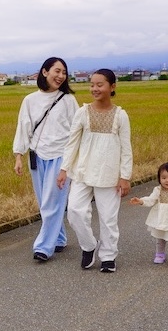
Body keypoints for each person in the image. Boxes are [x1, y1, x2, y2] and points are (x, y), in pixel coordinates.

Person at [56, 69, 132, 273]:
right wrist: (64, 168)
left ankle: (108, 256)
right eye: (92, 85)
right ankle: (89, 245)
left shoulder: (121, 116)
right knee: (74, 211)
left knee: (108, 218)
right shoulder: (83, 112)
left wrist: (125, 177)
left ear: (112, 87)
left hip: (109, 174)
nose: (95, 88)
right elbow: (72, 143)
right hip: (82, 172)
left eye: (100, 84)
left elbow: (126, 148)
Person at [13, 57, 78, 262]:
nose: (60, 76)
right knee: (45, 204)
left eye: (63, 72)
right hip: (37, 156)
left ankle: (43, 247)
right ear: (44, 72)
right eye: (56, 71)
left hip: (60, 156)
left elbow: (77, 132)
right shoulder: (30, 100)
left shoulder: (67, 100)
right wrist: (18, 156)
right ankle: (58, 239)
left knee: (52, 203)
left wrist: (71, 163)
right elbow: (23, 127)